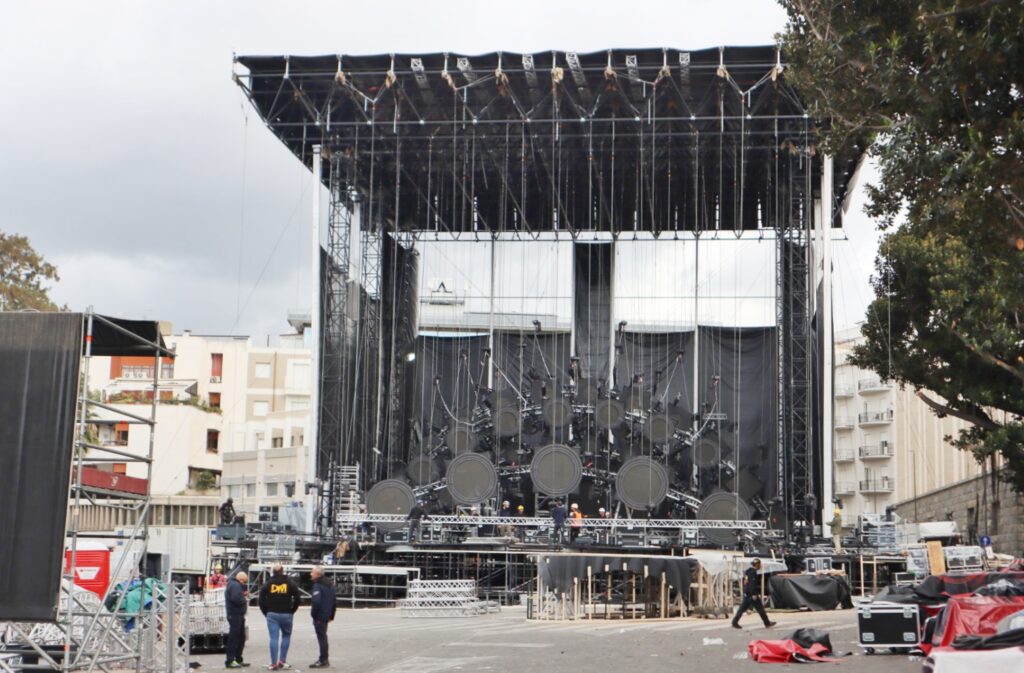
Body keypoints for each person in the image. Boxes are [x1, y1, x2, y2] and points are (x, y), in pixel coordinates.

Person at [258, 564, 301, 670]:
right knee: (286, 636)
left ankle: (273, 663)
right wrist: (292, 611)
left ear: (273, 572)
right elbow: (297, 599)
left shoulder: (268, 583)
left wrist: (266, 612)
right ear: (283, 571)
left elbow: (261, 600)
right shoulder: (290, 583)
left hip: (272, 614)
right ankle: (282, 660)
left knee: (274, 638)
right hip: (287, 614)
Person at [731, 558, 776, 629]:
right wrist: (753, 594)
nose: (760, 566)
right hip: (751, 594)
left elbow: (746, 583)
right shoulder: (753, 572)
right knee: (758, 609)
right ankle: (735, 622)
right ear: (757, 565)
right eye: (759, 564)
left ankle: (767, 622)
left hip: (748, 593)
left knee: (745, 609)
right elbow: (752, 584)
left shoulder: (748, 571)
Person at [309, 566, 336, 669]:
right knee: (323, 636)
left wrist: (313, 614)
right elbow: (334, 600)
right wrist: (332, 615)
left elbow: (316, 601)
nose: (310, 574)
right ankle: (325, 659)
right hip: (326, 615)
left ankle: (323, 660)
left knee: (322, 638)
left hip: (320, 615)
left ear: (318, 574)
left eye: (312, 572)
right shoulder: (330, 584)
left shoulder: (318, 585)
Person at [224, 571, 250, 668]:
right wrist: (244, 599)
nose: (244, 584)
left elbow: (236, 596)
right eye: (244, 582)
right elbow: (235, 598)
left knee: (240, 637)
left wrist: (242, 594)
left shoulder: (234, 585)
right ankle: (230, 661)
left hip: (237, 615)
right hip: (235, 615)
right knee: (234, 638)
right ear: (241, 580)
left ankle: (238, 658)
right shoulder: (235, 585)